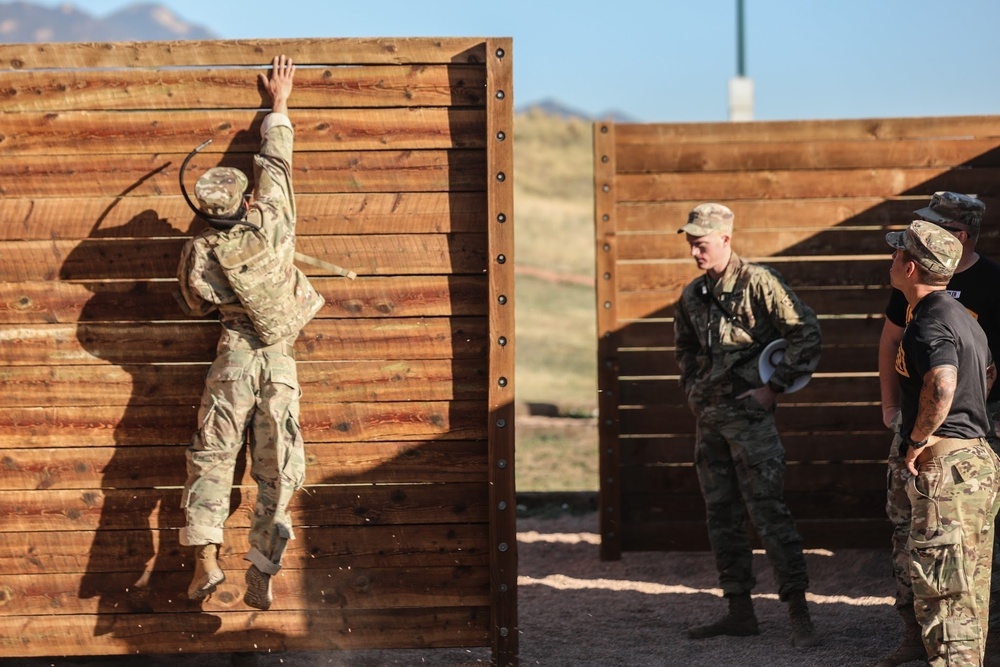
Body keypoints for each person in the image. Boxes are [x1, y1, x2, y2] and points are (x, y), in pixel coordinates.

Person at [175, 54, 320, 611]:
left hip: (232, 357)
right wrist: (278, 103)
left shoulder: (200, 251)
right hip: (277, 361)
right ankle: (261, 569)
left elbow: (193, 303)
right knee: (278, 466)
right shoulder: (273, 218)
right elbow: (276, 161)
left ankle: (205, 560)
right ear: (247, 200)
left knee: (212, 457)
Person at [674, 203, 823, 648]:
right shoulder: (692, 296)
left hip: (752, 423)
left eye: (701, 243)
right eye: (691, 244)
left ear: (725, 239)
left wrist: (773, 388)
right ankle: (739, 611)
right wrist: (694, 392)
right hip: (711, 423)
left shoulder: (760, 282)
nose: (695, 252)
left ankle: (800, 615)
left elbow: (806, 332)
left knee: (769, 514)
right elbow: (684, 348)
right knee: (722, 517)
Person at [876, 192, 1000, 667]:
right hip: (972, 455)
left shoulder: (929, 321)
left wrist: (918, 437)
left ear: (912, 268)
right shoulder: (957, 318)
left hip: (947, 464)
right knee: (962, 585)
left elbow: (944, 383)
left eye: (898, 253)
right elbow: (982, 375)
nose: (892, 259)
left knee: (946, 590)